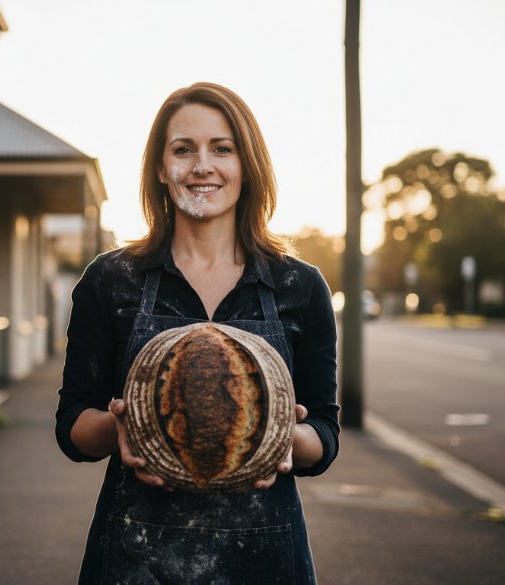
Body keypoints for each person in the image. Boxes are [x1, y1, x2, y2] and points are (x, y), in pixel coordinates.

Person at [55, 82, 340, 584]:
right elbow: (73, 427)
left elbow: (325, 434)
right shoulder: (111, 280)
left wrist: (282, 437)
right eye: (183, 149)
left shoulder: (300, 285)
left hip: (264, 558)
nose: (202, 165)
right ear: (161, 169)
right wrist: (123, 427)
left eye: (222, 149)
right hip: (134, 558)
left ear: (247, 166)